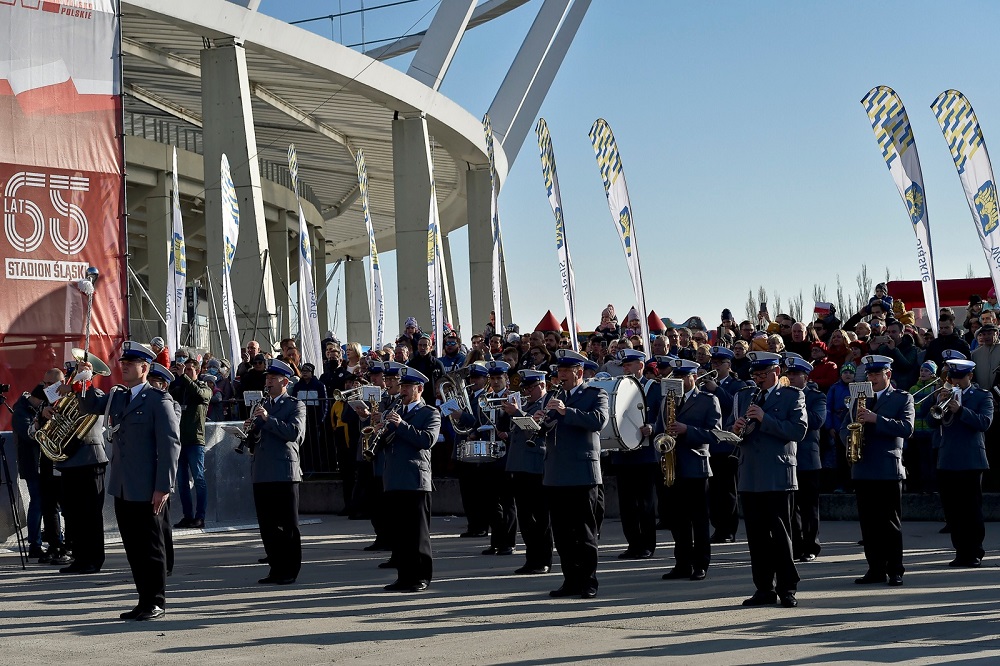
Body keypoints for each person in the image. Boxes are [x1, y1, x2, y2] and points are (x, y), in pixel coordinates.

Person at [77, 342, 181, 621]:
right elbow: (90, 405)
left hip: (148, 487)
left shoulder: (159, 401)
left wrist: (163, 487)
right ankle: (143, 600)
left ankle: (156, 601)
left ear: (145, 368)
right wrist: (85, 380)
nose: (123, 366)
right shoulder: (119, 396)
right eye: (123, 362)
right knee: (134, 548)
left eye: (130, 363)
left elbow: (170, 446)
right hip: (123, 485)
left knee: (151, 546)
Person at [731, 351, 806, 608]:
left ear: (776, 372)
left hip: (777, 474)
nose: (758, 379)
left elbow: (798, 431)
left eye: (762, 375)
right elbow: (732, 429)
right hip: (750, 473)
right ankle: (764, 588)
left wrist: (765, 418)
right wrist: (735, 428)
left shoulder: (791, 395)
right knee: (757, 537)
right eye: (755, 375)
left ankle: (787, 588)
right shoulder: (742, 396)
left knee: (781, 535)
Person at [535, 349, 609, 599]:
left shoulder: (595, 394)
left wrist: (568, 412)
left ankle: (588, 581)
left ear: (578, 373)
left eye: (565, 372)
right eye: (559, 372)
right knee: (562, 533)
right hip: (556, 472)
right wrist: (537, 422)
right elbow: (545, 430)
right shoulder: (552, 397)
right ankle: (570, 580)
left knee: (584, 532)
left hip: (581, 472)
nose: (561, 376)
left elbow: (599, 421)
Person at [843, 355, 914, 587]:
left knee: (890, 524)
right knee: (869, 524)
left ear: (888, 375)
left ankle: (895, 570)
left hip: (887, 469)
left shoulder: (903, 398)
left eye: (876, 374)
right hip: (863, 468)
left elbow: (906, 428)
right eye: (870, 374)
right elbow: (846, 426)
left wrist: (876, 419)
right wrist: (851, 438)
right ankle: (875, 569)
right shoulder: (859, 397)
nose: (872, 378)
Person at [658, 358, 721, 582]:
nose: (681, 380)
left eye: (685, 376)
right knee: (678, 519)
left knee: (699, 520)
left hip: (696, 466)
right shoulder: (667, 399)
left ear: (694, 377)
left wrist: (687, 430)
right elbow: (659, 430)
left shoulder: (708, 400)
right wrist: (662, 443)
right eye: (678, 376)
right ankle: (682, 563)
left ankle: (700, 564)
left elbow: (715, 434)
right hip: (673, 466)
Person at [245, 359, 307, 585]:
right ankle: (275, 567)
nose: (268, 382)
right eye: (267, 379)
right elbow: (255, 440)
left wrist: (267, 420)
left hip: (283, 471)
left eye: (272, 379)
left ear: (285, 381)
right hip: (262, 470)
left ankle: (289, 570)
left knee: (287, 524)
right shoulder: (262, 405)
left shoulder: (294, 405)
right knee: (267, 525)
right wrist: (249, 431)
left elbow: (294, 434)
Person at [380, 366, 441, 592]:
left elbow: (427, 440)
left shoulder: (430, 413)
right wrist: (380, 431)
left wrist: (400, 425)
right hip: (394, 478)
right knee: (400, 533)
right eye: (402, 386)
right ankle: (403, 576)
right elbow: (386, 443)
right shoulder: (396, 412)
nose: (403, 390)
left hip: (416, 480)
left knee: (417, 534)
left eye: (407, 387)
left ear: (420, 389)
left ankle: (421, 577)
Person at [933, 359, 993, 567]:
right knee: (953, 510)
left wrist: (960, 410)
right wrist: (938, 401)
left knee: (971, 509)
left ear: (970, 377)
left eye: (960, 377)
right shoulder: (945, 394)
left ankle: (974, 551)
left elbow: (984, 423)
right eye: (952, 378)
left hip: (970, 460)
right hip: (947, 458)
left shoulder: (982, 396)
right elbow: (931, 419)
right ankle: (960, 551)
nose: (955, 381)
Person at [609, 349, 660, 560]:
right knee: (627, 504)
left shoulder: (654, 388)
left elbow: (667, 414)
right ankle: (633, 543)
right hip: (623, 454)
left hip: (645, 454)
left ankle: (647, 544)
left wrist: (654, 427)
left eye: (629, 364)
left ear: (640, 365)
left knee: (645, 503)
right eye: (623, 365)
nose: (625, 368)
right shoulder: (618, 387)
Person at [502, 369, 554, 574]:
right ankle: (531, 558)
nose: (527, 391)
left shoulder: (547, 405)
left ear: (542, 386)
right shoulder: (527, 405)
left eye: (530, 387)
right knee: (525, 517)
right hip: (518, 466)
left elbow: (537, 431)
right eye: (525, 388)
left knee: (541, 517)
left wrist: (516, 413)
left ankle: (543, 559)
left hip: (536, 466)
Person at [784, 357, 827, 562]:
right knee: (791, 508)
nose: (790, 377)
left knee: (809, 507)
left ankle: (811, 546)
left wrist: (794, 407)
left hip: (807, 458)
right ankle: (796, 546)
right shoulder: (781, 395)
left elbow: (818, 421)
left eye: (795, 374)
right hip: (786, 457)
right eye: (789, 374)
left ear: (806, 377)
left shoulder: (816, 397)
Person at [703, 347, 746, 543]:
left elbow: (734, 405)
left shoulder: (737, 385)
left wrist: (717, 390)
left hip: (727, 445)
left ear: (729, 365)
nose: (716, 366)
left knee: (727, 491)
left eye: (720, 363)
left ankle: (728, 530)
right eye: (713, 363)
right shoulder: (705, 384)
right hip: (711, 444)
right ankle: (718, 527)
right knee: (713, 491)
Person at [480, 360, 517, 556]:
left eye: (498, 378)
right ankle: (496, 541)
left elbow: (519, 424)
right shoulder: (486, 399)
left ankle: (508, 542)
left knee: (508, 501)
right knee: (491, 502)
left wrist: (508, 436)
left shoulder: (512, 399)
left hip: (506, 456)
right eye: (492, 378)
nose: (495, 382)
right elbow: (480, 422)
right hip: (489, 455)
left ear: (506, 380)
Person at [170, 358, 212, 529]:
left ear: (198, 371)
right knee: (181, 481)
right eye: (184, 369)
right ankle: (187, 516)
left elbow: (199, 395)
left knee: (199, 478)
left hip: (195, 441)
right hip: (180, 441)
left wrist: (184, 377)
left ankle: (200, 516)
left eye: (189, 370)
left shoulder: (204, 387)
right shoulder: (180, 388)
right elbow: (169, 396)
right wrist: (174, 378)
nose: (186, 372)